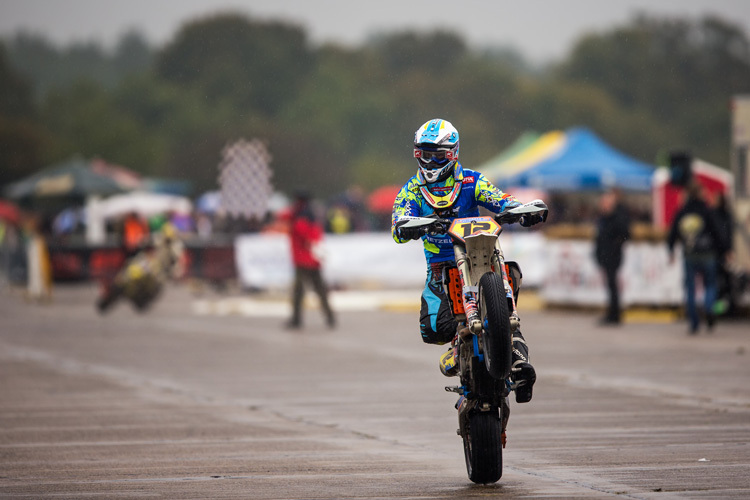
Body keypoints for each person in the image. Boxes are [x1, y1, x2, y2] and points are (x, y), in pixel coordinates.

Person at [391, 118, 547, 403]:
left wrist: (521, 210)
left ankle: (518, 361)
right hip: (442, 267)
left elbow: (500, 199)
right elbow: (399, 227)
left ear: (451, 154)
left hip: (481, 257)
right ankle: (457, 344)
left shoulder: (471, 181)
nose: (430, 160)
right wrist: (410, 225)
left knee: (510, 277)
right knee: (432, 328)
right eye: (424, 154)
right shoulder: (411, 190)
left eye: (437, 155)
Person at [667, 182, 725, 334]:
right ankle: (708, 307)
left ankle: (694, 322)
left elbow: (673, 233)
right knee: (710, 285)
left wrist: (671, 250)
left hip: (690, 254)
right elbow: (717, 231)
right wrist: (725, 249)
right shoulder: (707, 211)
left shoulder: (683, 211)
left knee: (690, 289)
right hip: (707, 253)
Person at [285, 192, 336, 330]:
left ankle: (296, 319)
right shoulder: (313, 217)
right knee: (320, 290)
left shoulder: (299, 219)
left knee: (299, 292)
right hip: (313, 260)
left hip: (302, 260)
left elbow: (303, 235)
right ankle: (330, 317)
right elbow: (316, 237)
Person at [594, 188, 631, 325]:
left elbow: (624, 234)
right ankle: (612, 313)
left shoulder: (617, 216)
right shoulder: (605, 217)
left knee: (612, 285)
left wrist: (614, 247)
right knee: (610, 285)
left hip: (612, 255)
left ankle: (614, 314)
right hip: (606, 254)